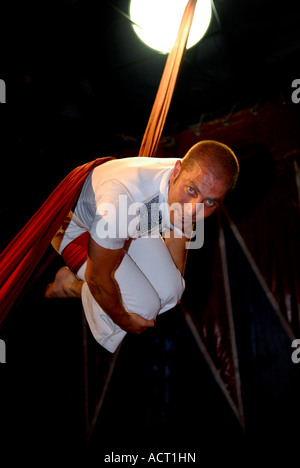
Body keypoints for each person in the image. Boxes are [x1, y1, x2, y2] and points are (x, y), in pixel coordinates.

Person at [45, 140, 239, 353]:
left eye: (210, 202)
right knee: (143, 307)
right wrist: (126, 322)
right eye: (192, 190)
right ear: (176, 172)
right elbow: (98, 278)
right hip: (74, 224)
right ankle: (71, 285)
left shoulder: (193, 180)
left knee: (173, 292)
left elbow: (174, 266)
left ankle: (122, 292)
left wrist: (165, 285)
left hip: (130, 221)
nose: (194, 210)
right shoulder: (123, 202)